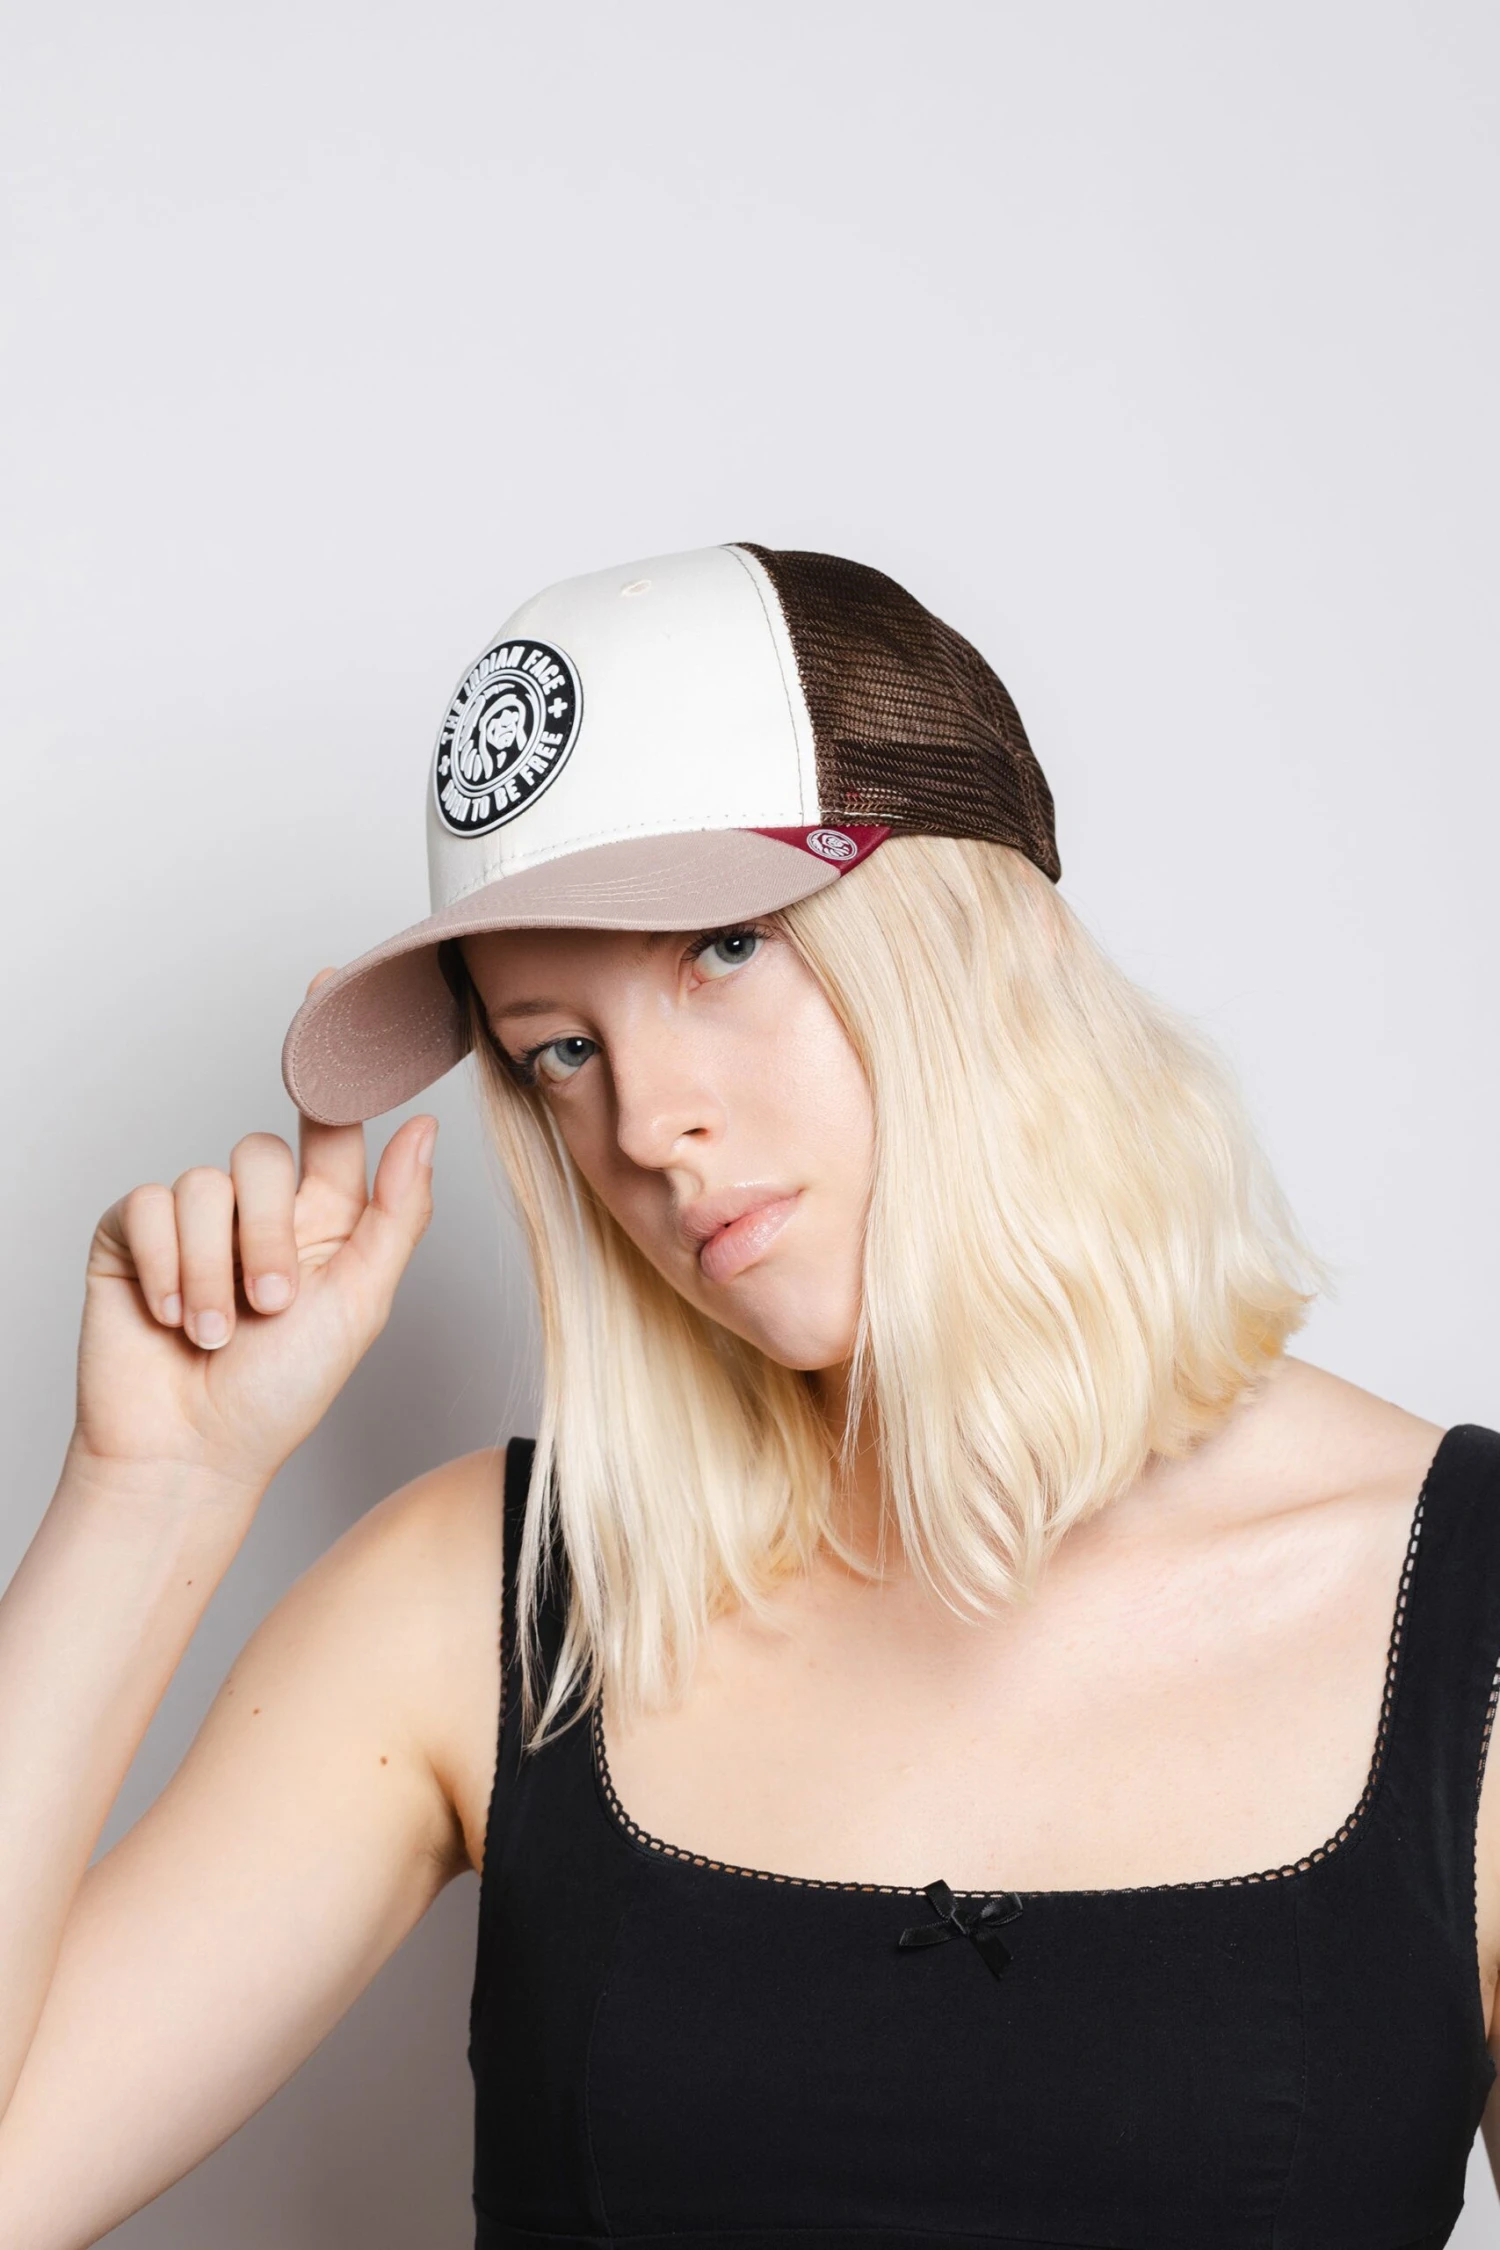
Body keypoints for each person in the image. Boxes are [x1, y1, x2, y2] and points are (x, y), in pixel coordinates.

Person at [1, 542, 1497, 2249]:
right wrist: (153, 1487)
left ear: (983, 924)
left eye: (722, 946)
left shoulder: (1462, 1616)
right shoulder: (488, 1603)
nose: (645, 1124)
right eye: (560, 1048)